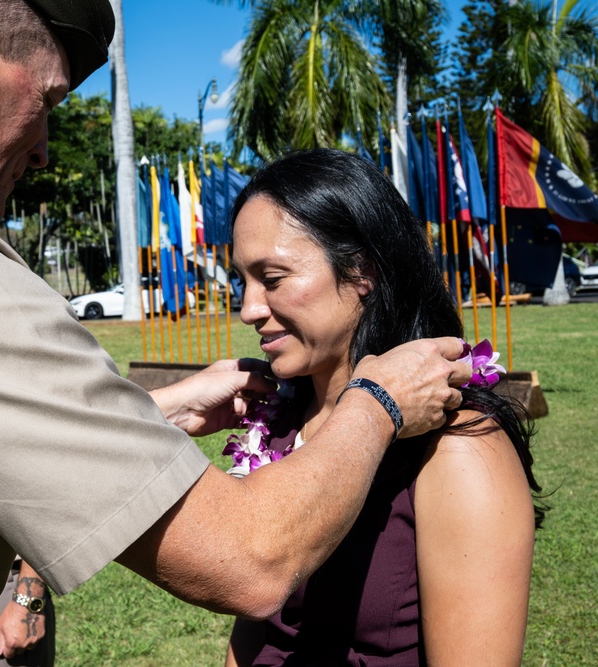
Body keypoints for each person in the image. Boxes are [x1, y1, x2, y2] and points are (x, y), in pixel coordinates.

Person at [0, 2, 473, 665]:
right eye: (48, 101)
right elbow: (251, 558)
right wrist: (380, 397)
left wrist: (158, 409)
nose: (42, 147)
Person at [224, 148, 546, 666]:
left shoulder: (458, 449)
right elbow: (251, 635)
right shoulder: (280, 424)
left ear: (361, 271)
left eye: (274, 278)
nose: (248, 309)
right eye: (242, 280)